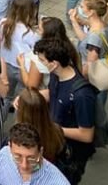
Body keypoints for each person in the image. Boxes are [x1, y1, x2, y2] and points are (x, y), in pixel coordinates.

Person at [34, 39, 96, 184]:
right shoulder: (57, 75)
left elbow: (87, 135)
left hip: (71, 156)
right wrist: (29, 98)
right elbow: (52, 93)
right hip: (56, 145)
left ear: (54, 63)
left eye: (42, 60)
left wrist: (53, 128)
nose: (39, 63)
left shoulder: (82, 95)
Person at [0, 123, 71, 185]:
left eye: (31, 158)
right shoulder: (4, 154)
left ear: (41, 152)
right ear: (9, 148)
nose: (24, 166)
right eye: (17, 157)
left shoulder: (58, 182)